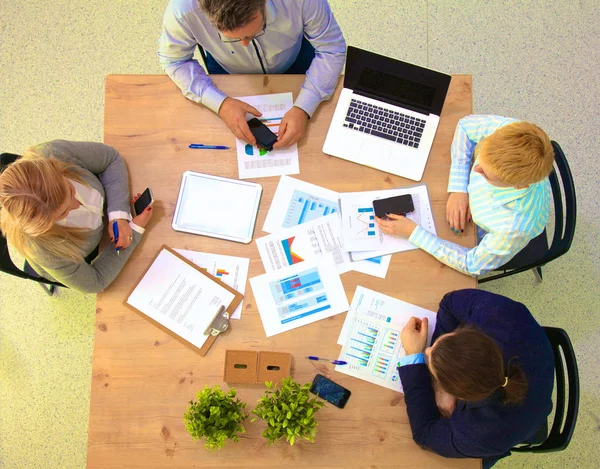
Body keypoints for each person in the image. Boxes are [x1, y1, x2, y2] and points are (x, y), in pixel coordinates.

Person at [375, 115, 555, 276]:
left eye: (485, 174)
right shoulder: (513, 134)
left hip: (486, 233)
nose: (475, 170)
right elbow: (465, 127)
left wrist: (413, 232)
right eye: (481, 158)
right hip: (471, 206)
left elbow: (472, 265)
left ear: (516, 185)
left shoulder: (512, 228)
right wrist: (459, 188)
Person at [398, 289, 554, 468]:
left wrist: (413, 356)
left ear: (462, 397)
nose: (427, 350)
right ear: (471, 333)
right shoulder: (498, 313)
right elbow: (449, 303)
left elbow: (424, 435)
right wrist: (440, 386)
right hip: (536, 368)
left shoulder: (480, 432)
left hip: (519, 424)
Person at [158, 0, 346, 149]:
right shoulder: (182, 9)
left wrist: (305, 106)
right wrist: (220, 103)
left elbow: (332, 49)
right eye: (233, 38)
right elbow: (174, 61)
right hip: (227, 72)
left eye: (253, 34)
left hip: (296, 60)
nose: (244, 44)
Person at [0, 140, 153, 294]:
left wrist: (118, 214)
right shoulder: (43, 250)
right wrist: (133, 231)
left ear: (56, 167)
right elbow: (95, 283)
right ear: (43, 225)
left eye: (70, 189)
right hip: (86, 255)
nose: (76, 205)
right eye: (62, 213)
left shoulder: (53, 152)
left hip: (104, 228)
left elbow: (111, 158)